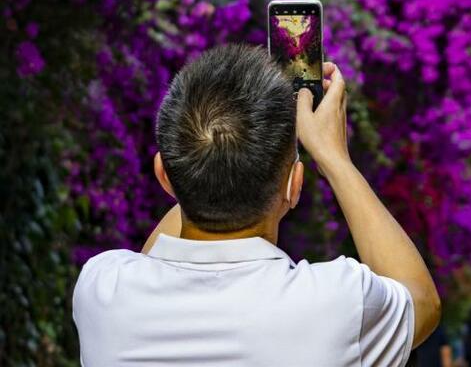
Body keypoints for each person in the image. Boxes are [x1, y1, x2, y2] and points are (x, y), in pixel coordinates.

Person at [72, 44, 441, 366]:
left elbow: (162, 247)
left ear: (163, 176)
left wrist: (215, 149)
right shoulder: (338, 305)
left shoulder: (102, 288)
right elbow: (421, 301)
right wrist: (332, 157)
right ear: (294, 187)